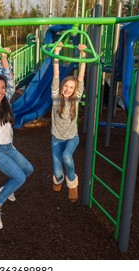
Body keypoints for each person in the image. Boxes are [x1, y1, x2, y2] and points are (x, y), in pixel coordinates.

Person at [0, 45, 34, 230]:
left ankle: (7, 188)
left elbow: (10, 82)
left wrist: (4, 58)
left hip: (8, 147)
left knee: (28, 169)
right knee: (20, 178)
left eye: (1, 88)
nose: (0, 91)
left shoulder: (6, 101)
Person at [51, 42, 87, 202]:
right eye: (66, 86)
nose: (68, 89)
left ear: (75, 90)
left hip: (72, 137)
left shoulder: (75, 100)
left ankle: (72, 185)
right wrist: (57, 54)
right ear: (62, 86)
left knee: (67, 156)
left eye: (71, 88)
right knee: (58, 171)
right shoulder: (56, 98)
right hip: (56, 138)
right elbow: (56, 74)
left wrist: (83, 57)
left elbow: (80, 77)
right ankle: (58, 179)